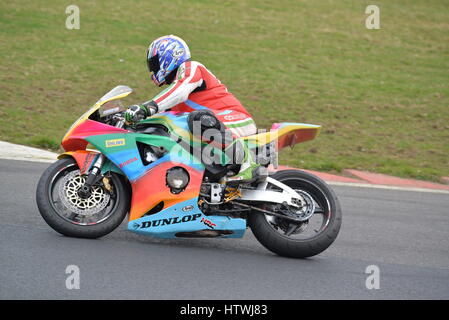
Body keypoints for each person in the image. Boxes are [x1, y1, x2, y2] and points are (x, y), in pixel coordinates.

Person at [124, 35, 262, 183]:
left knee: (198, 119)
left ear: (170, 56)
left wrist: (146, 108)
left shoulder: (192, 68)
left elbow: (180, 91)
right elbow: (161, 113)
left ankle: (248, 163)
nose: (153, 69)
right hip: (217, 127)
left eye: (154, 63)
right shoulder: (173, 97)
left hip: (237, 119)